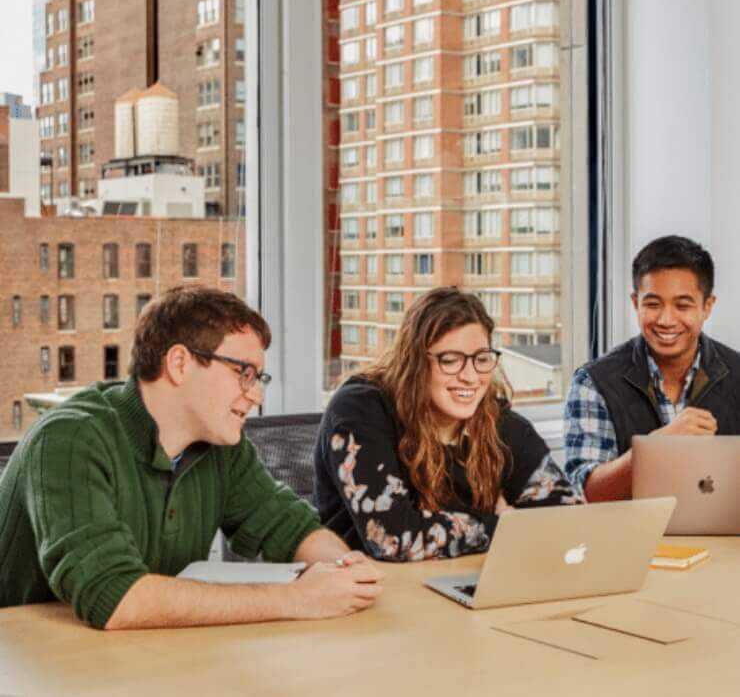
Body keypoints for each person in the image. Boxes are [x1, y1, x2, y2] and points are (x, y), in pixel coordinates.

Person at [0, 287, 382, 629]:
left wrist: (344, 568)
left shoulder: (221, 447)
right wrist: (297, 599)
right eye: (243, 373)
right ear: (179, 363)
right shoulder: (70, 438)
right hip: (31, 663)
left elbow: (291, 527)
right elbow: (112, 596)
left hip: (143, 657)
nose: (256, 396)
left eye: (258, 379)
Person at [314, 287, 580, 561]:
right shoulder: (360, 411)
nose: (470, 376)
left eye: (481, 359)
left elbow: (568, 517)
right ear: (415, 361)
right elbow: (394, 539)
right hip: (370, 589)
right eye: (450, 361)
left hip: (468, 583)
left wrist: (467, 527)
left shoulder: (499, 422)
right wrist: (501, 524)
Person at [564, 235, 740, 501]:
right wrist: (655, 448)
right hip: (630, 540)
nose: (666, 320)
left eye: (682, 305)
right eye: (653, 304)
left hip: (727, 540)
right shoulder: (593, 383)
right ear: (636, 303)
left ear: (707, 307)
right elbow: (587, 494)